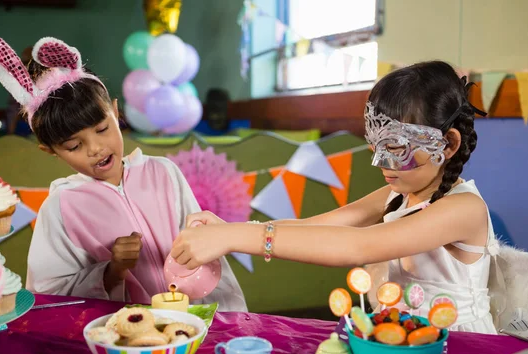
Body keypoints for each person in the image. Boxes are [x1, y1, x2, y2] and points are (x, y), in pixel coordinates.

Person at [171, 61, 504, 333]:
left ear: (447, 144)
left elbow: (358, 246)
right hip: (405, 338)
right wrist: (229, 228)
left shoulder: (463, 209)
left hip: (463, 347)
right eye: (375, 146)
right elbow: (316, 226)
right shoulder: (398, 193)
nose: (379, 163)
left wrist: (233, 237)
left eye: (396, 149)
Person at [0, 25, 246, 311]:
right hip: (123, 338)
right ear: (50, 151)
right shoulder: (61, 208)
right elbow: (51, 294)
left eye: (102, 129)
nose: (95, 148)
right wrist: (111, 271)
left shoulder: (164, 173)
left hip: (191, 323)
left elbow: (206, 248)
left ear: (115, 111)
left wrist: (227, 319)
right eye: (74, 146)